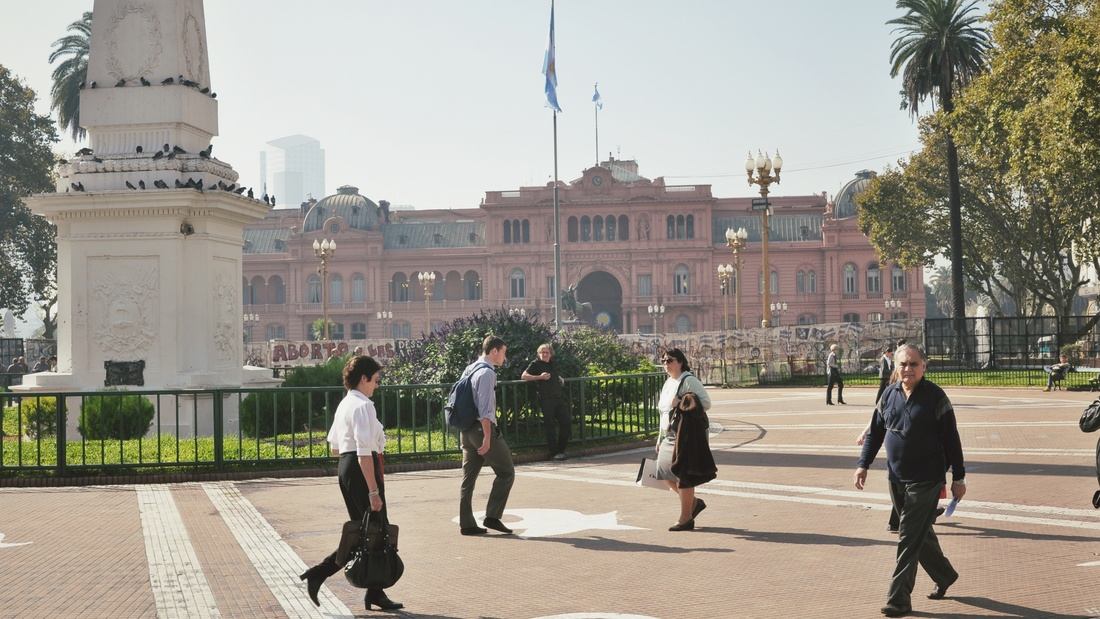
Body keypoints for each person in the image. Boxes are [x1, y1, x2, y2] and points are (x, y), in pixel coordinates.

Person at [855, 344, 966, 618]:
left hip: (927, 478)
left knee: (907, 536)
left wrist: (959, 477)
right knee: (920, 534)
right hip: (896, 477)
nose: (908, 369)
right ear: (896, 367)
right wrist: (863, 465)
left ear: (924, 367)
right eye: (903, 364)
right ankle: (944, 574)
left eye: (914, 364)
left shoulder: (936, 397)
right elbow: (875, 433)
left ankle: (899, 600)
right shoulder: (889, 395)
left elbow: (952, 439)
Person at [299, 355, 403, 612]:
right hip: (361, 469)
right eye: (375, 380)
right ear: (363, 378)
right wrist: (373, 490)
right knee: (370, 530)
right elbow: (364, 453)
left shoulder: (346, 403)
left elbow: (335, 447)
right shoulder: (363, 406)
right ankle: (320, 573)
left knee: (369, 530)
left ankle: (375, 592)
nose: (377, 385)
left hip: (346, 468)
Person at [458, 335, 515, 536]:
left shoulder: (470, 368)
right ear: (494, 351)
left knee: (468, 479)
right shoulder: (487, 372)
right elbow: (485, 410)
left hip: (466, 430)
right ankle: (492, 516)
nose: (504, 358)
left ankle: (467, 524)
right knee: (506, 472)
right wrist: (488, 437)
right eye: (503, 353)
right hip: (481, 430)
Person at [656, 347, 713, 531]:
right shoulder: (668, 382)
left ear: (680, 362)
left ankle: (686, 518)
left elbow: (706, 403)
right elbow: (664, 412)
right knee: (662, 472)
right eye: (663, 361)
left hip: (686, 434)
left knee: (683, 475)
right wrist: (660, 437)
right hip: (669, 434)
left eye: (670, 360)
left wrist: (680, 402)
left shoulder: (688, 380)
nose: (666, 364)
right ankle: (693, 503)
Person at [522, 343, 572, 460]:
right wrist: (540, 377)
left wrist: (558, 377)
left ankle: (561, 450)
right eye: (542, 352)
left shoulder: (552, 363)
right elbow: (524, 376)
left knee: (566, 422)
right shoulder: (535, 364)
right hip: (546, 399)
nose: (544, 354)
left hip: (558, 398)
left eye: (546, 352)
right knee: (550, 426)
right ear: (538, 354)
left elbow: (553, 373)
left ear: (550, 354)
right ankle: (554, 453)